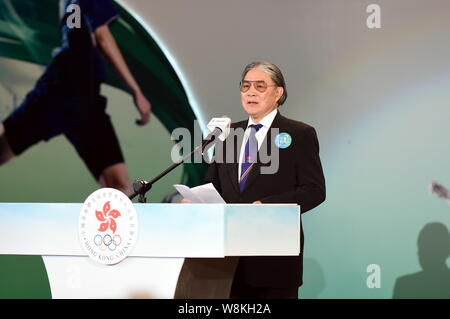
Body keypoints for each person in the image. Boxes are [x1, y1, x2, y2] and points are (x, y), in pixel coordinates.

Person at [192, 61, 326, 299]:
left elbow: (314, 190)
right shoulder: (229, 134)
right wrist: (195, 200)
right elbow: (213, 185)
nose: (250, 92)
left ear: (278, 93)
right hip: (228, 261)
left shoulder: (299, 134)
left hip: (273, 259)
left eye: (260, 86)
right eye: (245, 87)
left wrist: (267, 207)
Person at [0, 0, 151, 196]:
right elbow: (102, 36)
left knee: (119, 186)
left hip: (80, 93)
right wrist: (136, 91)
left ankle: (113, 222)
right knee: (119, 185)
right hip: (70, 84)